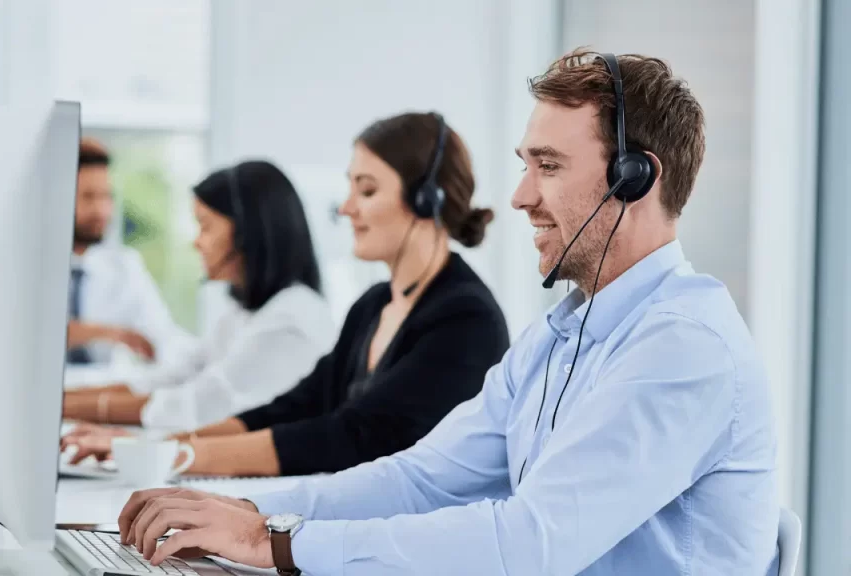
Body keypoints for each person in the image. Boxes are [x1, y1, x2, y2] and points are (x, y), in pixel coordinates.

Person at [113, 49, 780, 575]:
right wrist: (242, 510)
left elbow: (529, 546)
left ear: (637, 178)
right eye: (525, 165)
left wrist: (275, 542)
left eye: (547, 166)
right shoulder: (560, 337)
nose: (519, 196)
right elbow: (419, 479)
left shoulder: (683, 348)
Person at [61, 111, 510, 479]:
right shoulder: (374, 304)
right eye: (350, 186)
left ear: (426, 200)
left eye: (367, 189)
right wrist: (152, 449)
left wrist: (172, 456)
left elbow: (348, 436)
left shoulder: (464, 319)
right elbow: (294, 408)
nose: (346, 206)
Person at [62, 160, 335, 431]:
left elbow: (199, 404)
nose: (196, 242)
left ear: (246, 233)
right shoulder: (242, 314)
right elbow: (174, 377)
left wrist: (66, 409)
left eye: (205, 226)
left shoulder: (291, 317)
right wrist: (63, 401)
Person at [66, 137, 194, 365]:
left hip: (101, 392)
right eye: (88, 196)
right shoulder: (27, 268)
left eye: (107, 196)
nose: (102, 210)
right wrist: (103, 333)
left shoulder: (125, 265)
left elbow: (163, 336)